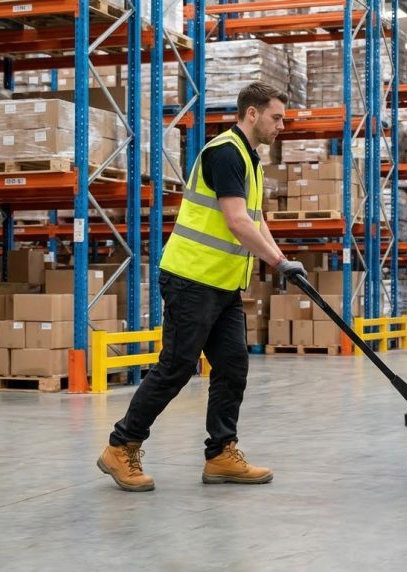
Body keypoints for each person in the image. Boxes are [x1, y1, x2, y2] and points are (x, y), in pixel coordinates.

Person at [97, 82, 307, 492]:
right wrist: (277, 262)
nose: (281, 125)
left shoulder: (251, 160)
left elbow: (256, 218)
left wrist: (284, 261)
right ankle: (120, 447)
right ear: (252, 114)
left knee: (232, 367)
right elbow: (236, 221)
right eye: (276, 117)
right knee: (176, 366)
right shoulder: (225, 153)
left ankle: (221, 455)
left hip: (223, 284)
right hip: (191, 278)